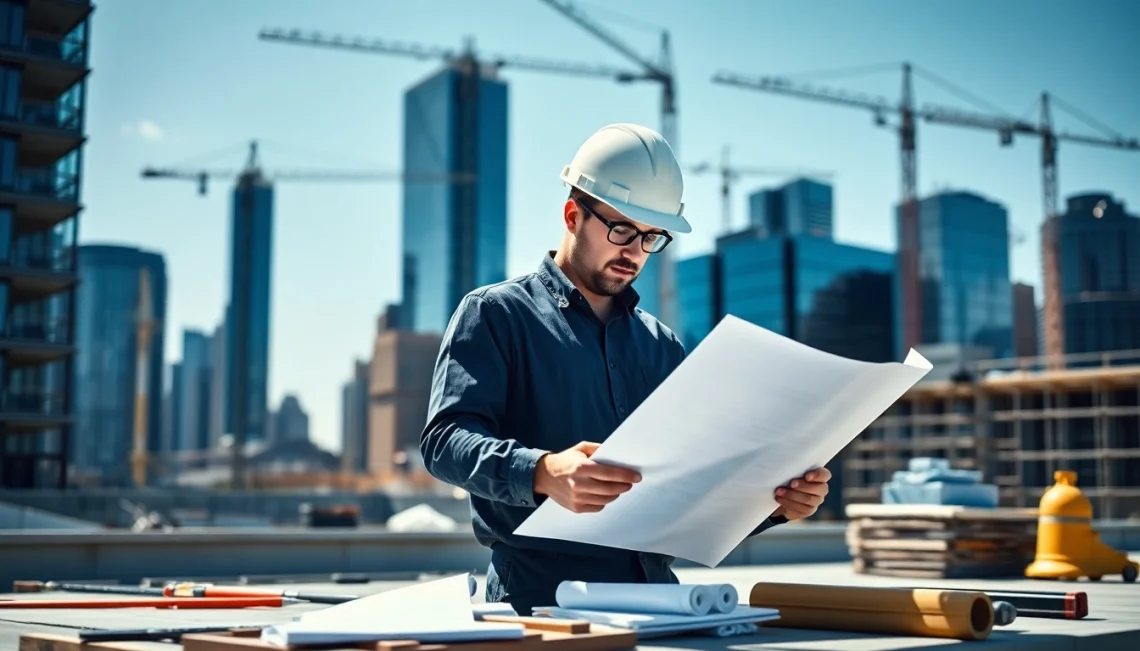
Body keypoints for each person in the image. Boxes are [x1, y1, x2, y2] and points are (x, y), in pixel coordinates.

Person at [420, 123, 831, 615]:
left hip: (663, 603)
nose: (635, 252)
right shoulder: (496, 314)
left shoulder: (663, 346)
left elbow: (692, 487)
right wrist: (543, 472)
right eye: (622, 230)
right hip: (541, 607)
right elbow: (444, 440)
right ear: (573, 215)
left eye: (652, 237)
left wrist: (775, 504)